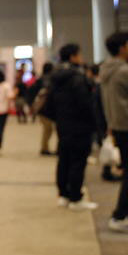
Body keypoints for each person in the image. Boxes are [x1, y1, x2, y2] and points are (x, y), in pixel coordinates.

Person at [44, 43, 98, 211]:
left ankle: (63, 195)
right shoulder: (78, 78)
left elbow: (48, 105)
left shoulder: (55, 78)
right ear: (73, 56)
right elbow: (86, 104)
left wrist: (60, 119)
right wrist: (94, 124)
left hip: (63, 126)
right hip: (80, 127)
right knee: (78, 162)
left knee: (64, 160)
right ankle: (76, 198)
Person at [99, 31, 128, 232]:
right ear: (122, 48)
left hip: (118, 126)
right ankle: (119, 215)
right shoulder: (123, 71)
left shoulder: (107, 70)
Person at [27, 62, 56, 156]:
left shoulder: (39, 80)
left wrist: (32, 104)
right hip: (47, 108)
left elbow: (31, 92)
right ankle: (44, 148)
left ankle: (45, 148)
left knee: (48, 129)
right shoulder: (50, 80)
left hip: (42, 108)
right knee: (48, 129)